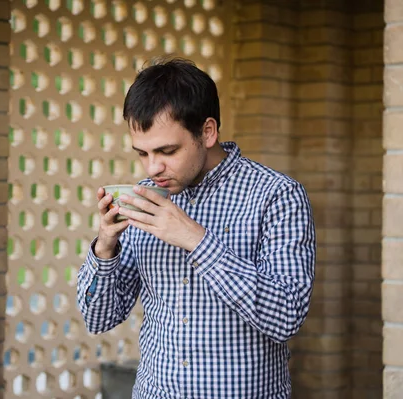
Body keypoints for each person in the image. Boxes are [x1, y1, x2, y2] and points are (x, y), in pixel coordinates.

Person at [76, 57, 316, 399]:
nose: (153, 167)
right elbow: (98, 319)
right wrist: (105, 247)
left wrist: (196, 239)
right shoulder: (145, 197)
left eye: (167, 150)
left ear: (207, 131)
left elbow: (287, 317)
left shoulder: (276, 195)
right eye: (142, 153)